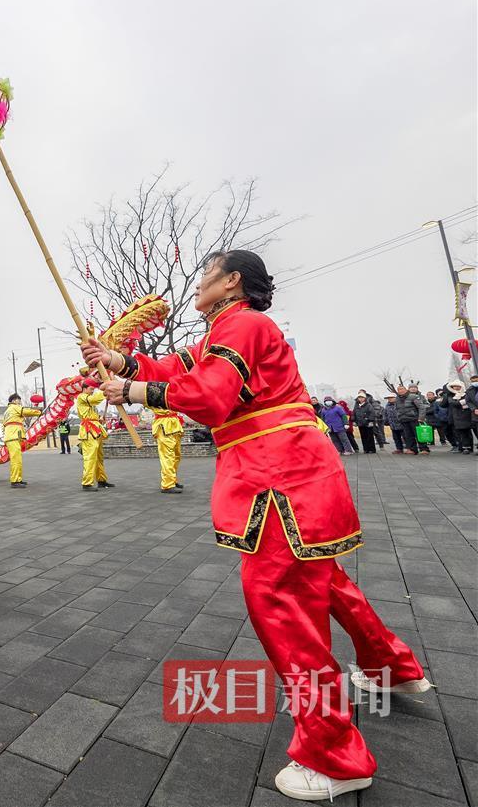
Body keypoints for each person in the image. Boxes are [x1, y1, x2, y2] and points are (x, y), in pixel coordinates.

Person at [84, 249, 428, 802]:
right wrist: (122, 363)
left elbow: (211, 396)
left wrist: (134, 392)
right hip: (290, 467)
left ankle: (335, 755)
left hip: (277, 474)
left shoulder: (242, 324)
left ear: (232, 281)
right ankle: (392, 666)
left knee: (279, 594)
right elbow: (181, 369)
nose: (198, 285)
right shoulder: (228, 331)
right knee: (324, 581)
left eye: (206, 275)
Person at [75, 378, 113, 490]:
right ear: (84, 388)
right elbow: (95, 399)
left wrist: (100, 419)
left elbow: (92, 413)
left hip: (96, 429)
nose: (92, 391)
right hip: (88, 431)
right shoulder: (82, 397)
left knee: (99, 457)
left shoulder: (89, 402)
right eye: (91, 389)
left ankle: (101, 480)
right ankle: (87, 483)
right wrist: (105, 390)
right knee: (90, 457)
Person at [2, 394, 41, 487]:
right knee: (16, 459)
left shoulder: (7, 412)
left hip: (12, 436)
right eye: (19, 400)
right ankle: (15, 481)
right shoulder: (15, 407)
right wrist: (39, 412)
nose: (20, 402)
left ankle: (18, 479)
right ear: (14, 400)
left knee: (17, 459)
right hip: (13, 436)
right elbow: (25, 411)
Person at [152, 409, 184, 493]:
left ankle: (172, 480)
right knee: (167, 456)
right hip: (164, 426)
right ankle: (168, 484)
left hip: (174, 425)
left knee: (176, 456)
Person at [443, 380, 475, 454]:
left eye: (458, 386)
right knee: (460, 432)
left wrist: (462, 403)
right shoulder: (450, 395)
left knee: (468, 432)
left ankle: (469, 447)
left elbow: (469, 402)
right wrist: (464, 402)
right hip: (456, 416)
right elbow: (453, 404)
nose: (456, 388)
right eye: (454, 386)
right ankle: (464, 447)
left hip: (466, 415)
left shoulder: (466, 394)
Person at [394, 386, 428, 455]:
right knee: (408, 436)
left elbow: (422, 407)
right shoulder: (397, 399)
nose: (400, 391)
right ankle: (413, 450)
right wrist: (398, 417)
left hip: (414, 419)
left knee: (418, 434)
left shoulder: (413, 396)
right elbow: (396, 409)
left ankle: (424, 449)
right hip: (404, 419)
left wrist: (421, 418)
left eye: (402, 389)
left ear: (406, 390)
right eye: (399, 390)